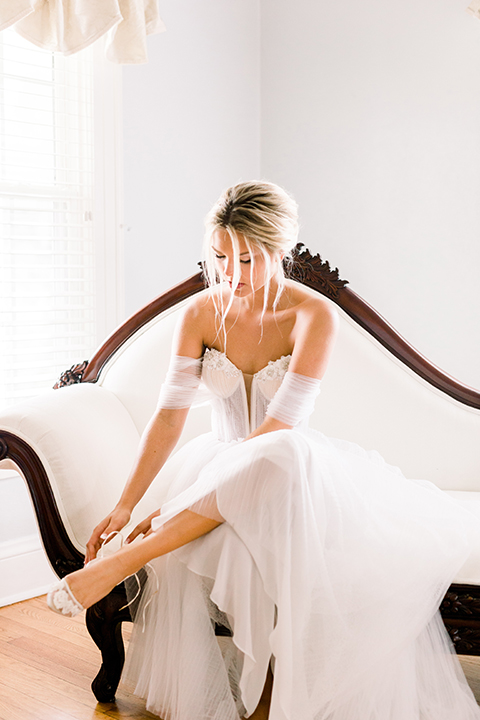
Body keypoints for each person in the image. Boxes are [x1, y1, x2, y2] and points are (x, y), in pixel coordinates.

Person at [47, 181, 480, 720]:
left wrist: (176, 508)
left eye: (248, 259)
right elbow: (169, 414)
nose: (232, 274)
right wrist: (126, 504)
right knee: (255, 501)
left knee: (282, 453)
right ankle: (257, 696)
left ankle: (123, 566)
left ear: (281, 250)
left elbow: (279, 427)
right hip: (216, 460)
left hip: (283, 469)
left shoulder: (312, 317)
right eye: (221, 257)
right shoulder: (202, 314)